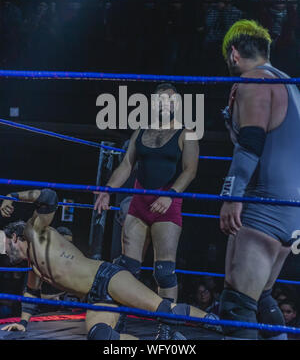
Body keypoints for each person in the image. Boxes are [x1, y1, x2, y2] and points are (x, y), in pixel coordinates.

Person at [0, 189, 215, 340]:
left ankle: (214, 322)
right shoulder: (34, 266)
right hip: (96, 297)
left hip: (107, 277)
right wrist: (23, 322)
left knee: (165, 310)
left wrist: (12, 197)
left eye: (5, 243)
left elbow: (49, 196)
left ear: (16, 237)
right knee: (100, 336)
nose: (4, 251)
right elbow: (31, 293)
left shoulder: (34, 231)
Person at [219, 19, 300, 340]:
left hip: (264, 207)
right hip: (292, 209)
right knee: (262, 297)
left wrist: (232, 195)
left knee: (236, 307)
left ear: (234, 54)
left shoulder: (253, 81)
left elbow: (252, 142)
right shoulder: (291, 85)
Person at [94, 83, 199, 306]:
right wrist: (107, 190)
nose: (165, 104)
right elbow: (126, 165)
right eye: (161, 100)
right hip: (139, 203)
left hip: (167, 203)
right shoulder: (141, 131)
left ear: (177, 104)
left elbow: (190, 170)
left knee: (164, 271)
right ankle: (118, 321)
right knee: (128, 267)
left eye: (170, 100)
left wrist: (170, 194)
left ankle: (167, 328)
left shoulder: (187, 132)